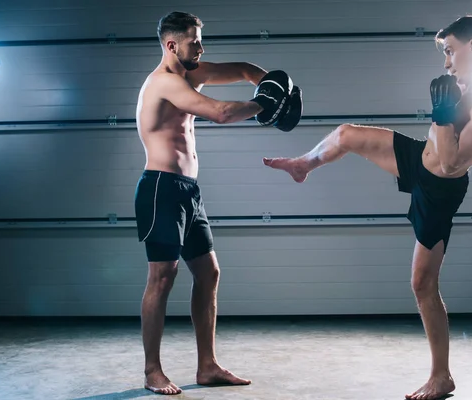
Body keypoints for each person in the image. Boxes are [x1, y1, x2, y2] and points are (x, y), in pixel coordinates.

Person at [263, 15, 472, 400]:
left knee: (422, 284)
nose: (446, 62)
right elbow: (468, 126)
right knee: (345, 134)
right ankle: (304, 164)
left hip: (439, 189)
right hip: (418, 158)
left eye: (450, 51)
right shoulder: (466, 84)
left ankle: (441, 376)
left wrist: (449, 115)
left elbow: (451, 163)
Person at [134, 11, 301, 395]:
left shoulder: (191, 72)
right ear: (172, 45)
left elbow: (243, 69)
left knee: (208, 274)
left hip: (189, 191)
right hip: (161, 188)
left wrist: (274, 85)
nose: (201, 47)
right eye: (194, 41)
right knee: (162, 278)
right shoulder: (164, 83)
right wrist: (264, 104)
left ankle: (207, 366)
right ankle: (152, 370)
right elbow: (221, 113)